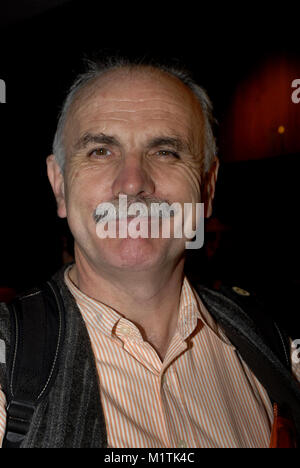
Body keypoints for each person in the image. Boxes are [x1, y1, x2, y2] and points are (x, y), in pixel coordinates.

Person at [0, 56, 299, 449]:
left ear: (207, 188)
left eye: (166, 152)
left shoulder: (271, 343)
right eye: (101, 151)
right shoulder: (10, 361)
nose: (133, 183)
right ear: (59, 185)